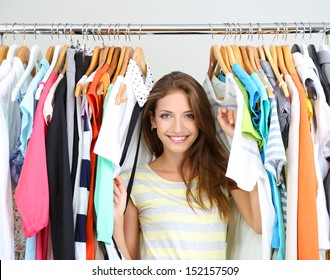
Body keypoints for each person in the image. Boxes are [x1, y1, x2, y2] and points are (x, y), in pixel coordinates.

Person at [113, 71, 261, 260]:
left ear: (200, 119)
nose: (177, 128)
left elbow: (259, 224)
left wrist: (242, 141)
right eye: (166, 116)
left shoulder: (221, 172)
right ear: (153, 119)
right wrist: (117, 223)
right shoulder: (132, 182)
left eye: (189, 116)